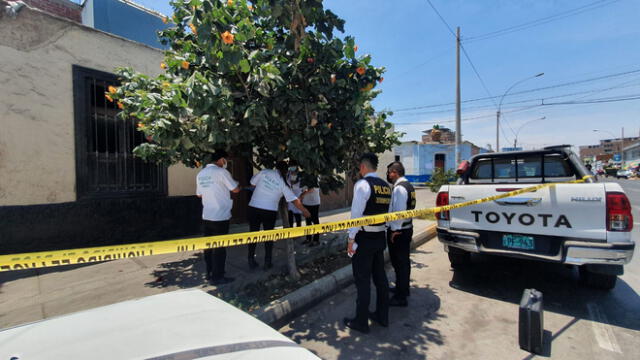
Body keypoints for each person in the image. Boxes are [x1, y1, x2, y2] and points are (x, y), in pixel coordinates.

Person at [344, 153, 391, 334]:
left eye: (359, 168)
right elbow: (389, 213)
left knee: (363, 281)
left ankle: (361, 321)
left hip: (364, 240)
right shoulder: (386, 187)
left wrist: (351, 239)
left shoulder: (362, 185)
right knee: (380, 278)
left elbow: (356, 216)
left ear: (363, 167)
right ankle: (382, 315)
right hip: (380, 238)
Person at [247, 161, 311, 270]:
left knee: (253, 235)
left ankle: (251, 260)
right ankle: (267, 262)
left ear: (276, 167)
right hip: (269, 211)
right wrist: (305, 211)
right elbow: (294, 201)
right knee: (269, 237)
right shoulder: (283, 183)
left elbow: (252, 183)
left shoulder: (264, 172)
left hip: (254, 207)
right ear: (286, 171)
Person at [196, 150, 240, 285]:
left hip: (207, 215)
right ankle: (218, 276)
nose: (225, 163)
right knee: (220, 249)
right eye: (225, 160)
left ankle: (209, 273)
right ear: (220, 160)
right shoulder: (222, 172)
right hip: (220, 216)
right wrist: (237, 184)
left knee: (209, 247)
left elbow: (199, 195)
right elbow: (235, 189)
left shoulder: (201, 173)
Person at [386, 161, 416, 307]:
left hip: (399, 231)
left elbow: (398, 212)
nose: (388, 175)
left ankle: (401, 297)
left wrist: (395, 230)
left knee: (399, 263)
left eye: (389, 172)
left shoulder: (399, 189)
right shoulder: (409, 186)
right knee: (403, 262)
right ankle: (402, 288)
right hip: (407, 228)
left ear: (394, 172)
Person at [300, 176, 321, 246]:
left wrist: (302, 195)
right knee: (308, 222)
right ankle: (308, 238)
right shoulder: (304, 178)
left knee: (315, 221)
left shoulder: (315, 178)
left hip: (314, 203)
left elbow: (311, 189)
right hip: (306, 203)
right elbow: (302, 189)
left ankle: (316, 240)